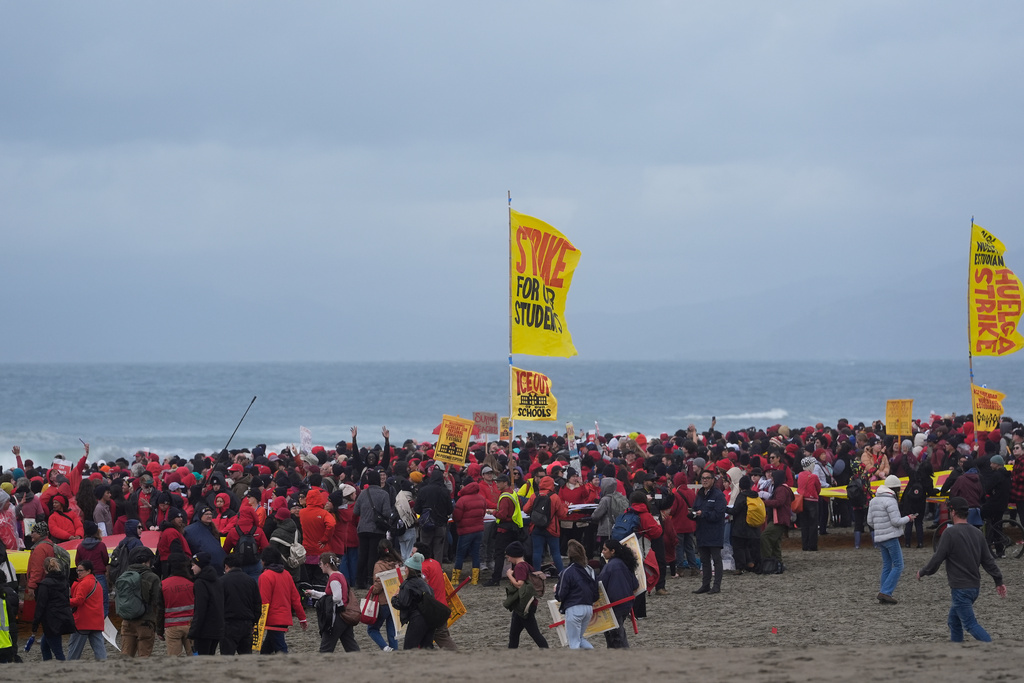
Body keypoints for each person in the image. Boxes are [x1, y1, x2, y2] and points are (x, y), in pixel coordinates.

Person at [917, 496, 1007, 642]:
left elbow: (937, 559)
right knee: (954, 621)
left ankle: (992, 648)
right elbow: (988, 561)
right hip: (974, 588)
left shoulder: (950, 533)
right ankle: (957, 652)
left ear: (952, 512)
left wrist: (923, 571)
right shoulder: (978, 533)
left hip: (960, 589)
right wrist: (998, 580)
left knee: (970, 624)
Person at [866, 474, 915, 604]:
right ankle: (886, 592)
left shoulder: (874, 500)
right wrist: (909, 518)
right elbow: (896, 521)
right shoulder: (891, 500)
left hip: (879, 537)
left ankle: (884, 591)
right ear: (895, 489)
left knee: (887, 565)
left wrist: (881, 527)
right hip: (891, 537)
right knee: (899, 565)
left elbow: (870, 521)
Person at [258, 546, 307, 654]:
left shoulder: (265, 576)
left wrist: (257, 623)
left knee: (281, 649)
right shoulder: (287, 574)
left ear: (265, 561)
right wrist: (302, 618)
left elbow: (264, 602)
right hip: (284, 618)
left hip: (272, 619)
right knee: (266, 650)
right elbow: (295, 599)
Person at [307, 552, 359, 653]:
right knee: (351, 647)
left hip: (337, 617)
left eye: (321, 564)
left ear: (327, 565)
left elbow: (336, 597)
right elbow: (331, 595)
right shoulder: (340, 575)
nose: (320, 566)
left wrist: (323, 601)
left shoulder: (333, 578)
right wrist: (313, 593)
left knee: (325, 649)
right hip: (345, 616)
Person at [502, 540, 548, 649]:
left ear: (513, 555)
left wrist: (509, 575)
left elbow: (519, 584)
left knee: (534, 634)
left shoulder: (519, 567)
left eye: (508, 557)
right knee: (514, 634)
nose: (508, 559)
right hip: (523, 604)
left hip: (525, 605)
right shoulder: (526, 565)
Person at [120, 547, 163, 657]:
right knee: (144, 659)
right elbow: (157, 603)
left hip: (127, 621)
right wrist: (159, 626)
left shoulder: (124, 576)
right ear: (148, 560)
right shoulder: (152, 577)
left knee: (125, 658)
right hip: (146, 622)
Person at [555, 539, 598, 650]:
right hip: (588, 607)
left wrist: (556, 593)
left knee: (573, 642)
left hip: (574, 608)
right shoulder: (590, 570)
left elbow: (561, 594)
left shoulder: (567, 572)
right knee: (580, 638)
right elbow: (595, 593)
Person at [32, 556, 76, 661]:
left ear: (44, 569)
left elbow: (40, 605)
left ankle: (62, 672)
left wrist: (35, 624)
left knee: (58, 651)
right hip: (62, 616)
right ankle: (49, 667)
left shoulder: (45, 585)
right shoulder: (64, 581)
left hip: (50, 621)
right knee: (45, 646)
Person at [523, 475, 569, 576]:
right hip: (552, 528)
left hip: (536, 527)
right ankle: (561, 574)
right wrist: (566, 508)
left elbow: (526, 509)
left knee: (537, 552)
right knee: (555, 553)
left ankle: (537, 574)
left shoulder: (534, 495)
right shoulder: (554, 497)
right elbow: (562, 514)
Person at [414, 543, 457, 651]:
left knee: (440, 635)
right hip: (441, 604)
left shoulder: (423, 567)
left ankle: (457, 656)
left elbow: (421, 588)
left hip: (433, 608)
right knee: (436, 635)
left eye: (413, 553)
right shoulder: (435, 563)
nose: (411, 556)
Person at [598, 539, 639, 648]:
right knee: (616, 631)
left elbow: (600, 585)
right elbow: (635, 585)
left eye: (605, 549)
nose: (602, 552)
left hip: (615, 605)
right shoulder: (625, 564)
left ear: (612, 551)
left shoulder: (609, 567)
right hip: (627, 604)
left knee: (616, 636)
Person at [483, 475, 523, 587]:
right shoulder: (513, 493)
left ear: (505, 483)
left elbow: (502, 514)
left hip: (504, 529)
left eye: (499, 482)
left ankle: (496, 578)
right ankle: (515, 576)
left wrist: (493, 512)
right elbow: (520, 504)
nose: (497, 484)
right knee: (514, 554)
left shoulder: (505, 497)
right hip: (514, 527)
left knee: (499, 554)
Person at [219, 553, 263, 655]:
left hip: (228, 624)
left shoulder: (222, 581)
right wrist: (254, 622)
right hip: (246, 624)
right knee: (246, 657)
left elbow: (218, 605)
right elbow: (257, 604)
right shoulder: (250, 581)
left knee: (227, 657)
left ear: (226, 566)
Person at [390, 552, 436, 650]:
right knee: (427, 648)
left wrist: (393, 599)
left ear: (409, 570)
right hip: (431, 618)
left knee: (409, 649)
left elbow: (403, 604)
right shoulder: (424, 584)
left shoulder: (408, 584)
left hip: (418, 619)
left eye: (406, 568)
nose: (404, 570)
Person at [691, 469, 726, 594]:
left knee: (716, 560)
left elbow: (719, 514)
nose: (704, 480)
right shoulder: (700, 494)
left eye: (707, 478)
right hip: (702, 531)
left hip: (714, 532)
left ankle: (716, 586)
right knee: (704, 560)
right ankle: (705, 585)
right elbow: (695, 508)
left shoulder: (718, 495)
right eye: (703, 478)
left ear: (713, 480)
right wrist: (692, 514)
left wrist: (703, 514)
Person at [66, 560, 107, 661]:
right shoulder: (97, 583)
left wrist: (64, 601)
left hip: (83, 621)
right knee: (100, 650)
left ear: (89, 571)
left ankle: (68, 670)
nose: (78, 573)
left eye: (81, 570)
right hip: (96, 621)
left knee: (74, 651)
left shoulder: (84, 583)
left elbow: (78, 601)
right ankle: (105, 668)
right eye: (77, 570)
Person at [367, 538, 401, 651]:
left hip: (383, 601)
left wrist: (373, 590)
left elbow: (378, 583)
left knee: (372, 629)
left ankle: (385, 648)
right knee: (392, 631)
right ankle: (394, 650)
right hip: (395, 601)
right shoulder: (398, 563)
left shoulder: (379, 565)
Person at [452, 478, 486, 585]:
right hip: (479, 530)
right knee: (476, 554)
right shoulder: (482, 498)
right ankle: (475, 579)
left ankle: (455, 579)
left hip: (465, 531)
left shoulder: (462, 500)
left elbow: (457, 517)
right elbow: (483, 513)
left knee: (460, 555)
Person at [189, 552, 225, 654]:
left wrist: (193, 632)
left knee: (202, 661)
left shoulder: (200, 583)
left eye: (193, 565)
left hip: (204, 631)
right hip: (217, 629)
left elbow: (200, 609)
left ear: (200, 565)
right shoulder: (217, 581)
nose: (192, 568)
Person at [160, 554, 195, 656]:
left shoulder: (164, 584)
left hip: (172, 627)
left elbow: (160, 608)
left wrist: (159, 630)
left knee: (174, 660)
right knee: (194, 657)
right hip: (191, 625)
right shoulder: (192, 583)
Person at [74, 521, 110, 616]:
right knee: (103, 601)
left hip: (86, 577)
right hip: (99, 575)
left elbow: (77, 562)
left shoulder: (80, 546)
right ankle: (103, 621)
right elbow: (106, 559)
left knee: (87, 601)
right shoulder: (101, 545)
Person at [796, 456, 821, 551]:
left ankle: (805, 545)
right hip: (812, 501)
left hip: (802, 500)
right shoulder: (814, 476)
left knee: (804, 524)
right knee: (813, 524)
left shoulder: (800, 475)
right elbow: (818, 488)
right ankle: (812, 545)